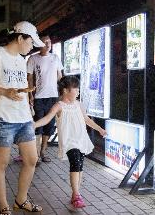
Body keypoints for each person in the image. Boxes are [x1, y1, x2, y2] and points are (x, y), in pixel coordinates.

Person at [0, 21, 44, 215]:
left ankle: (20, 201)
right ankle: (3, 207)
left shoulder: (22, 60)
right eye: (31, 42)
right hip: (4, 118)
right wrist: (5, 91)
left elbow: (16, 86)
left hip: (23, 117)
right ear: (20, 38)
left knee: (31, 160)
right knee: (1, 164)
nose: (32, 46)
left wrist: (25, 94)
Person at [35, 76, 106, 208]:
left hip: (81, 139)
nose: (78, 91)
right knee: (75, 163)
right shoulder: (59, 106)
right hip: (69, 141)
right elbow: (47, 118)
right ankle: (77, 194)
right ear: (66, 90)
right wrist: (33, 125)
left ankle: (76, 194)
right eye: (76, 88)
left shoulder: (78, 104)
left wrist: (99, 129)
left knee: (80, 167)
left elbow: (86, 119)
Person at [27, 35, 63, 163]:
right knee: (38, 126)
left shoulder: (55, 58)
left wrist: (63, 93)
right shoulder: (33, 58)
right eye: (45, 42)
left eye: (50, 42)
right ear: (39, 44)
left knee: (49, 126)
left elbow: (60, 77)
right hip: (39, 98)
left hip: (53, 97)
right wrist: (30, 94)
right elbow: (30, 78)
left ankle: (42, 152)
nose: (48, 44)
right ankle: (35, 155)